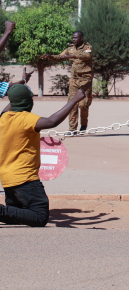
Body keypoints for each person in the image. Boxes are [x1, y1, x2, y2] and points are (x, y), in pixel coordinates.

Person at [0, 85, 85, 227]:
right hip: (25, 179)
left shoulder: (4, 117)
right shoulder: (26, 119)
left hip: (7, 180)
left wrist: (21, 85)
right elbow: (52, 121)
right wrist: (74, 100)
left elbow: (13, 103)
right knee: (40, 216)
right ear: (29, 102)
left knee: (18, 213)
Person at [41, 31, 93, 132]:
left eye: (76, 38)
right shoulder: (70, 48)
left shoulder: (87, 47)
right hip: (74, 79)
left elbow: (87, 56)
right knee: (72, 104)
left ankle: (83, 125)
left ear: (81, 38)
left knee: (83, 105)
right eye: (73, 38)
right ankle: (72, 129)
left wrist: (73, 56)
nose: (73, 39)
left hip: (85, 80)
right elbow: (60, 57)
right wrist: (50, 56)